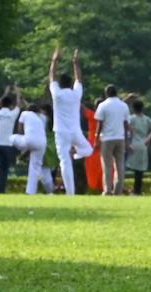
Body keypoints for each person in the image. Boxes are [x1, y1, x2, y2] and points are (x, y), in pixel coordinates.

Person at [49, 48, 93, 195]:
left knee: (64, 162)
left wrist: (54, 61)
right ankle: (75, 152)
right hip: (75, 131)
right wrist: (75, 63)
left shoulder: (57, 95)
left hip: (61, 132)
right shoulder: (76, 95)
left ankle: (70, 193)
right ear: (70, 84)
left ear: (61, 84)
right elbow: (79, 80)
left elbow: (52, 77)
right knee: (88, 150)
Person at [94, 84, 131, 196]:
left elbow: (99, 123)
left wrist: (96, 138)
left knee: (107, 165)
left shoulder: (103, 105)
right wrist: (126, 140)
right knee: (120, 165)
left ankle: (107, 189)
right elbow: (126, 124)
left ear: (106, 94)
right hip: (120, 138)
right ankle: (118, 190)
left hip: (107, 138)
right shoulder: (123, 106)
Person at [12, 102, 54, 195]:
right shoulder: (42, 118)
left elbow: (20, 130)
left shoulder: (25, 114)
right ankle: (31, 192)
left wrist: (22, 149)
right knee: (35, 169)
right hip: (42, 143)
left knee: (10, 138)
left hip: (29, 140)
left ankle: (8, 145)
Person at [0, 84, 21, 194]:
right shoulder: (12, 114)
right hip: (6, 144)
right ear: (10, 105)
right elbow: (19, 106)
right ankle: (1, 191)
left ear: (2, 103)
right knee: (4, 170)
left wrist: (5, 93)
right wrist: (18, 93)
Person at [126, 98, 151, 195]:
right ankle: (137, 191)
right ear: (142, 108)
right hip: (143, 145)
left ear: (133, 108)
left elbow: (124, 126)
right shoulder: (146, 119)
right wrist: (149, 138)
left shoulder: (131, 118)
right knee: (139, 172)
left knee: (124, 169)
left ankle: (122, 189)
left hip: (132, 145)